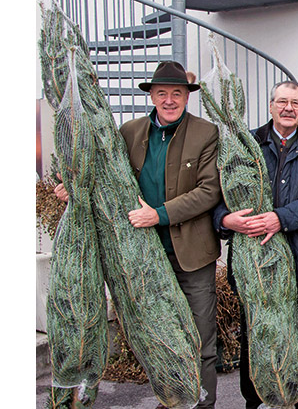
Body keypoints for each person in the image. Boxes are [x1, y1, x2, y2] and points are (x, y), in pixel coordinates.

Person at [55, 60, 222, 409]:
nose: (170, 100)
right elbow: (104, 174)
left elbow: (209, 191)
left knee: (200, 339)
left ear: (186, 97)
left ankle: (201, 404)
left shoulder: (206, 133)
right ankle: (172, 399)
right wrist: (73, 188)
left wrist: (157, 214)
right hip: (141, 254)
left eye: (177, 93)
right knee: (156, 336)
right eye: (162, 93)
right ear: (152, 96)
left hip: (190, 254)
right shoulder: (130, 131)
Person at [212, 80, 298, 409]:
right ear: (271, 105)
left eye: (296, 103)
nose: (289, 108)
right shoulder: (244, 145)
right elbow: (218, 192)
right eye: (283, 101)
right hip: (253, 260)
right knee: (255, 330)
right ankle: (256, 398)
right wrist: (224, 220)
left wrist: (282, 217)